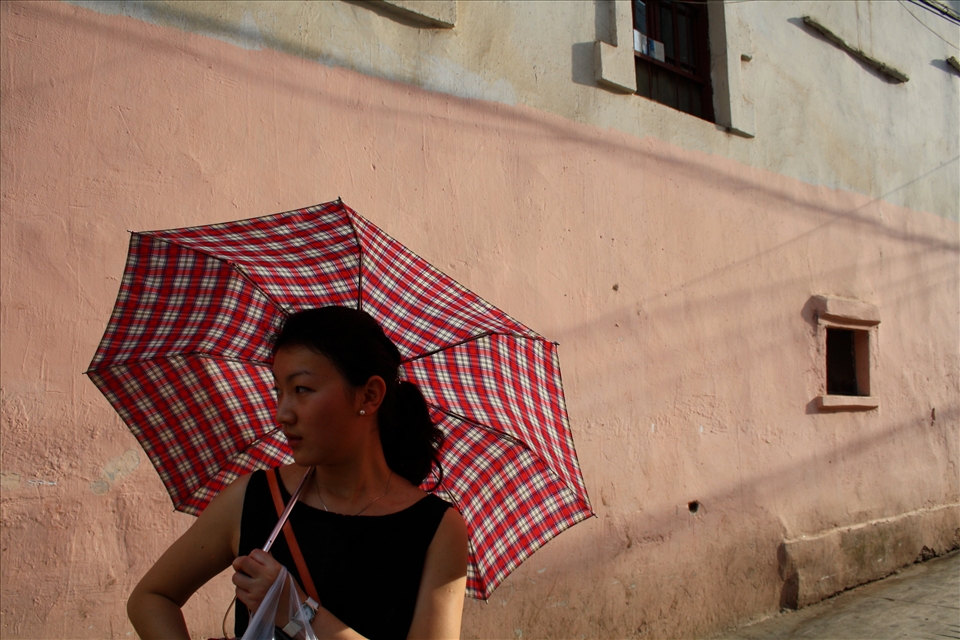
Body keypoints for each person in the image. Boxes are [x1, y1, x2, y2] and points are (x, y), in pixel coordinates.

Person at [127, 306, 469, 639]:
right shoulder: (257, 497)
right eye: (279, 391)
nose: (283, 413)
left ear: (369, 394)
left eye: (302, 389)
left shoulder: (434, 528)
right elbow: (152, 599)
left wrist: (296, 611)